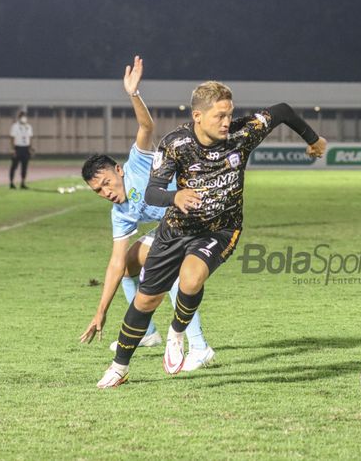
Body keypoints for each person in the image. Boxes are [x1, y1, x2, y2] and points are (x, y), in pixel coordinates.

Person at [95, 80, 328, 388]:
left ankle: (177, 333)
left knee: (191, 278)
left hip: (221, 230)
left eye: (229, 113)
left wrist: (313, 139)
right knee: (145, 301)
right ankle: (119, 368)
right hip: (176, 229)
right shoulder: (175, 144)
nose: (227, 121)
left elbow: (283, 111)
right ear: (197, 116)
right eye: (219, 115)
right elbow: (152, 193)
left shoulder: (242, 134)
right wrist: (175, 197)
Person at [78, 56, 214, 377]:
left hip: (199, 214)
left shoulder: (138, 163)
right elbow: (113, 265)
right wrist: (100, 313)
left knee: (162, 264)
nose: (106, 192)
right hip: (174, 228)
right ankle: (148, 332)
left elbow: (146, 127)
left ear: (118, 169)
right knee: (127, 264)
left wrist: (133, 94)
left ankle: (199, 347)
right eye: (98, 191)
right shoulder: (120, 212)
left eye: (106, 183)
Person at [9, 110, 34, 189]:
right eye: (22, 117)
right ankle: (11, 183)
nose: (24, 118)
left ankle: (23, 183)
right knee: (14, 166)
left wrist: (30, 148)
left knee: (24, 166)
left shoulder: (28, 127)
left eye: (25, 117)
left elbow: (30, 137)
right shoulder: (15, 126)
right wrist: (13, 149)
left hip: (25, 148)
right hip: (18, 147)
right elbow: (12, 138)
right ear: (19, 118)